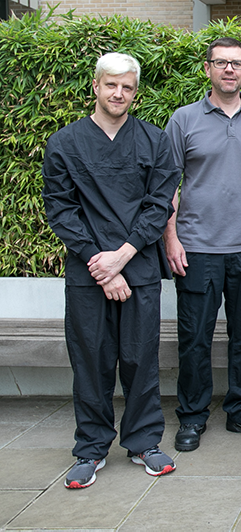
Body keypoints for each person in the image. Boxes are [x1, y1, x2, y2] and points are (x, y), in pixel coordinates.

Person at [42, 52, 180, 488]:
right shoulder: (64, 143)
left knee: (141, 360)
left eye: (127, 87)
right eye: (111, 85)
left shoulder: (155, 141)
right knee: (91, 360)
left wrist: (122, 256)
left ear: (135, 94)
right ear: (96, 87)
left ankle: (144, 443)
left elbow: (160, 205)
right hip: (87, 273)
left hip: (136, 268)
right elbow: (61, 209)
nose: (118, 93)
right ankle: (90, 448)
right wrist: (100, 263)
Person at [163, 37, 241, 452]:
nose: (229, 70)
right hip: (197, 248)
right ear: (208, 69)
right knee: (194, 336)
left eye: (236, 63)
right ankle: (193, 416)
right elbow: (167, 184)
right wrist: (172, 237)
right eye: (221, 63)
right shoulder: (183, 120)